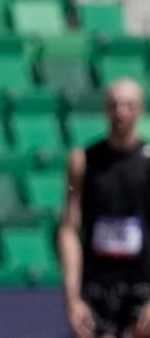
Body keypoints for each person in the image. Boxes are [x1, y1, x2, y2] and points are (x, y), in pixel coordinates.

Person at [62, 79, 150, 338]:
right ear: (105, 110)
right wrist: (72, 296)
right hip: (97, 282)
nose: (121, 112)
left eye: (128, 105)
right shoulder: (84, 160)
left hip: (143, 279)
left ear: (140, 110)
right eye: (114, 105)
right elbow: (69, 228)